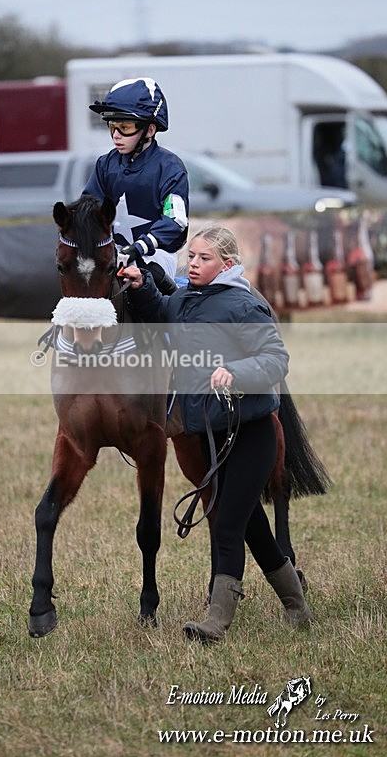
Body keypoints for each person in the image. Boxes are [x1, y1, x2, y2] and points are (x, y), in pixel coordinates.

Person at [122, 225, 313, 643]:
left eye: (204, 258)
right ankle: (297, 608)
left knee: (226, 521)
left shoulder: (244, 305)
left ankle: (216, 622)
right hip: (211, 436)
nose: (192, 263)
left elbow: (276, 359)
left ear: (227, 264)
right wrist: (139, 287)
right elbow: (160, 312)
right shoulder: (185, 299)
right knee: (254, 529)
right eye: (191, 256)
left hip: (251, 434)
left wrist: (237, 372)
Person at [83, 77, 189, 294]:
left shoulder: (169, 167)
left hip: (155, 254)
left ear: (150, 130)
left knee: (144, 277)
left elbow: (175, 220)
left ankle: (171, 321)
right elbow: (89, 208)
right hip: (112, 252)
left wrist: (139, 247)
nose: (116, 135)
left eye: (125, 127)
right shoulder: (105, 164)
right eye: (112, 126)